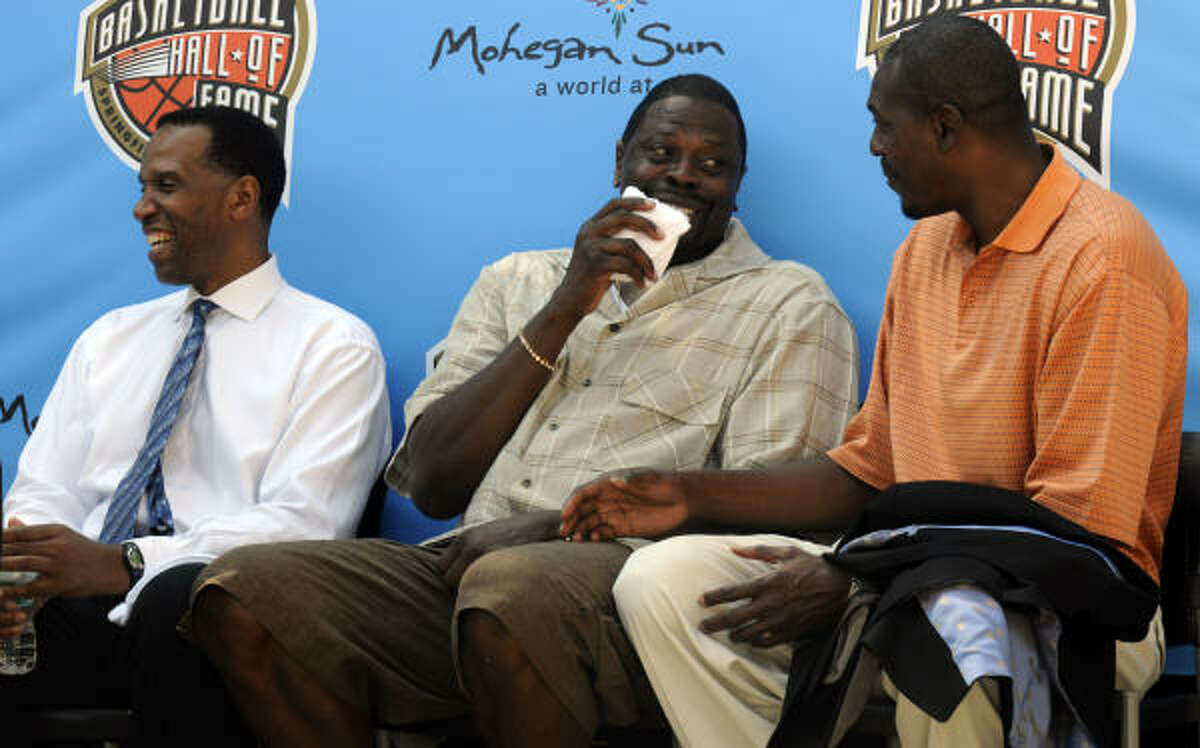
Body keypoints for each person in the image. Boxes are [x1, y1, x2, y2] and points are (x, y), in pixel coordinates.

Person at [561, 15, 1188, 748]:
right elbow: (869, 471)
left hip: (1066, 600)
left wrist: (862, 585)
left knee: (947, 628)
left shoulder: (1104, 259)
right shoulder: (925, 247)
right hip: (911, 568)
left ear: (946, 128)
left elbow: (1072, 539)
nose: (874, 147)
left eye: (884, 126)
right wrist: (689, 496)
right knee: (663, 583)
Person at [183, 74, 860, 747]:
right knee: (244, 591)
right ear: (619, 158)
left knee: (510, 591)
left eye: (713, 166)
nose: (683, 176)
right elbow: (434, 480)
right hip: (461, 567)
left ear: (737, 186)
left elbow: (768, 522)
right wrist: (569, 301)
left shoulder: (789, 303)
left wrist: (557, 532)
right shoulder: (518, 280)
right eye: (660, 154)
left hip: (626, 592)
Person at [0, 105, 391, 746]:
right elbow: (43, 495)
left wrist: (125, 562)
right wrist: (23, 573)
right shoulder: (110, 338)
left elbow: (304, 526)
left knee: (179, 597)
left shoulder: (333, 347)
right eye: (142, 188)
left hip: (202, 615)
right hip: (74, 611)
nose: (141, 208)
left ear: (242, 198)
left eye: (167, 186)